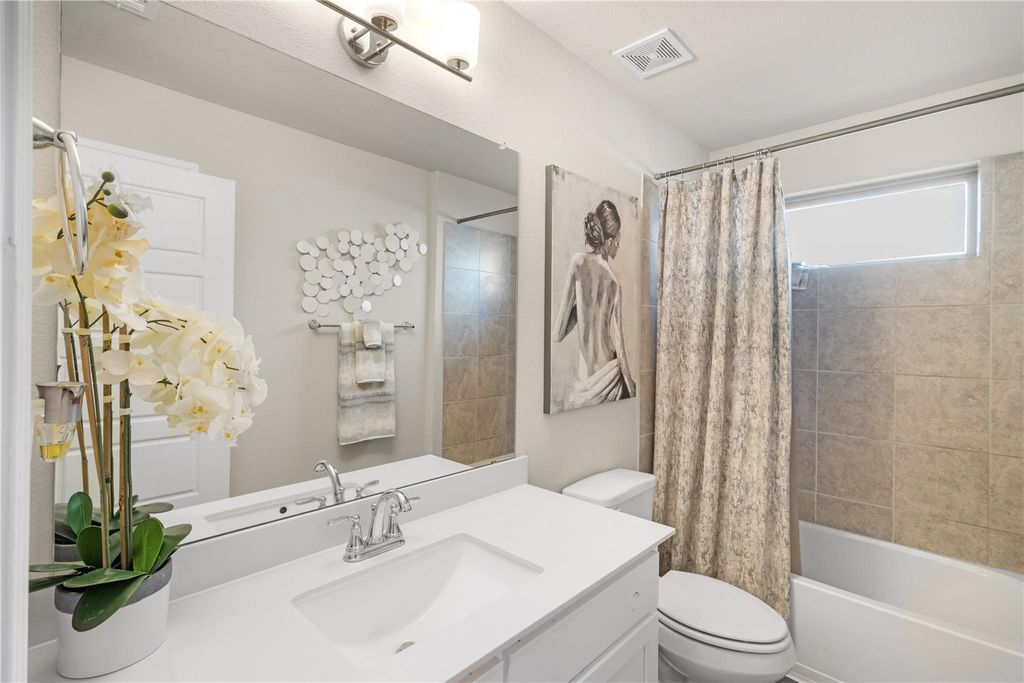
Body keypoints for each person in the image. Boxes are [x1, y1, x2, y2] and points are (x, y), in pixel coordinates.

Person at [553, 199, 636, 409]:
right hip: (611, 379)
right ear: (610, 240)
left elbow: (557, 334)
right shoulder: (614, 283)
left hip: (585, 383)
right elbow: (619, 345)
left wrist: (582, 307)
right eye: (618, 239)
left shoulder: (577, 263)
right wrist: (631, 386)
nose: (618, 245)